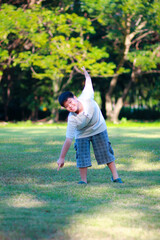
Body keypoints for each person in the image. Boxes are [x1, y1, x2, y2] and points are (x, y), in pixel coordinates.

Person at [57, 66, 123, 184]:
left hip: (98, 127)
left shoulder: (86, 97)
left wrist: (86, 75)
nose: (70, 106)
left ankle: (115, 177)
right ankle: (83, 180)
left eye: (71, 102)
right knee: (82, 155)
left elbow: (88, 83)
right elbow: (68, 139)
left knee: (106, 152)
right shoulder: (72, 119)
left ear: (75, 98)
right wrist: (61, 158)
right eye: (67, 106)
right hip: (82, 133)